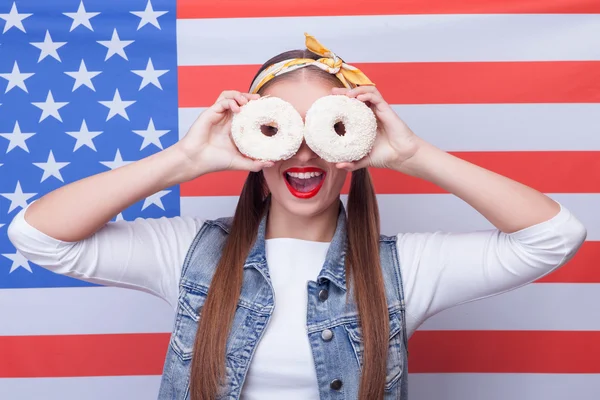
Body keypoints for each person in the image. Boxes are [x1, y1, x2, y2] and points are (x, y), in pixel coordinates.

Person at [7, 33, 587, 400]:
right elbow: (37, 235)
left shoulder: (404, 269)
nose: (304, 153)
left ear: (353, 144)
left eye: (326, 129)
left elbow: (553, 237)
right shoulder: (188, 254)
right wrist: (185, 159)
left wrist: (411, 155)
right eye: (282, 130)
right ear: (254, 142)